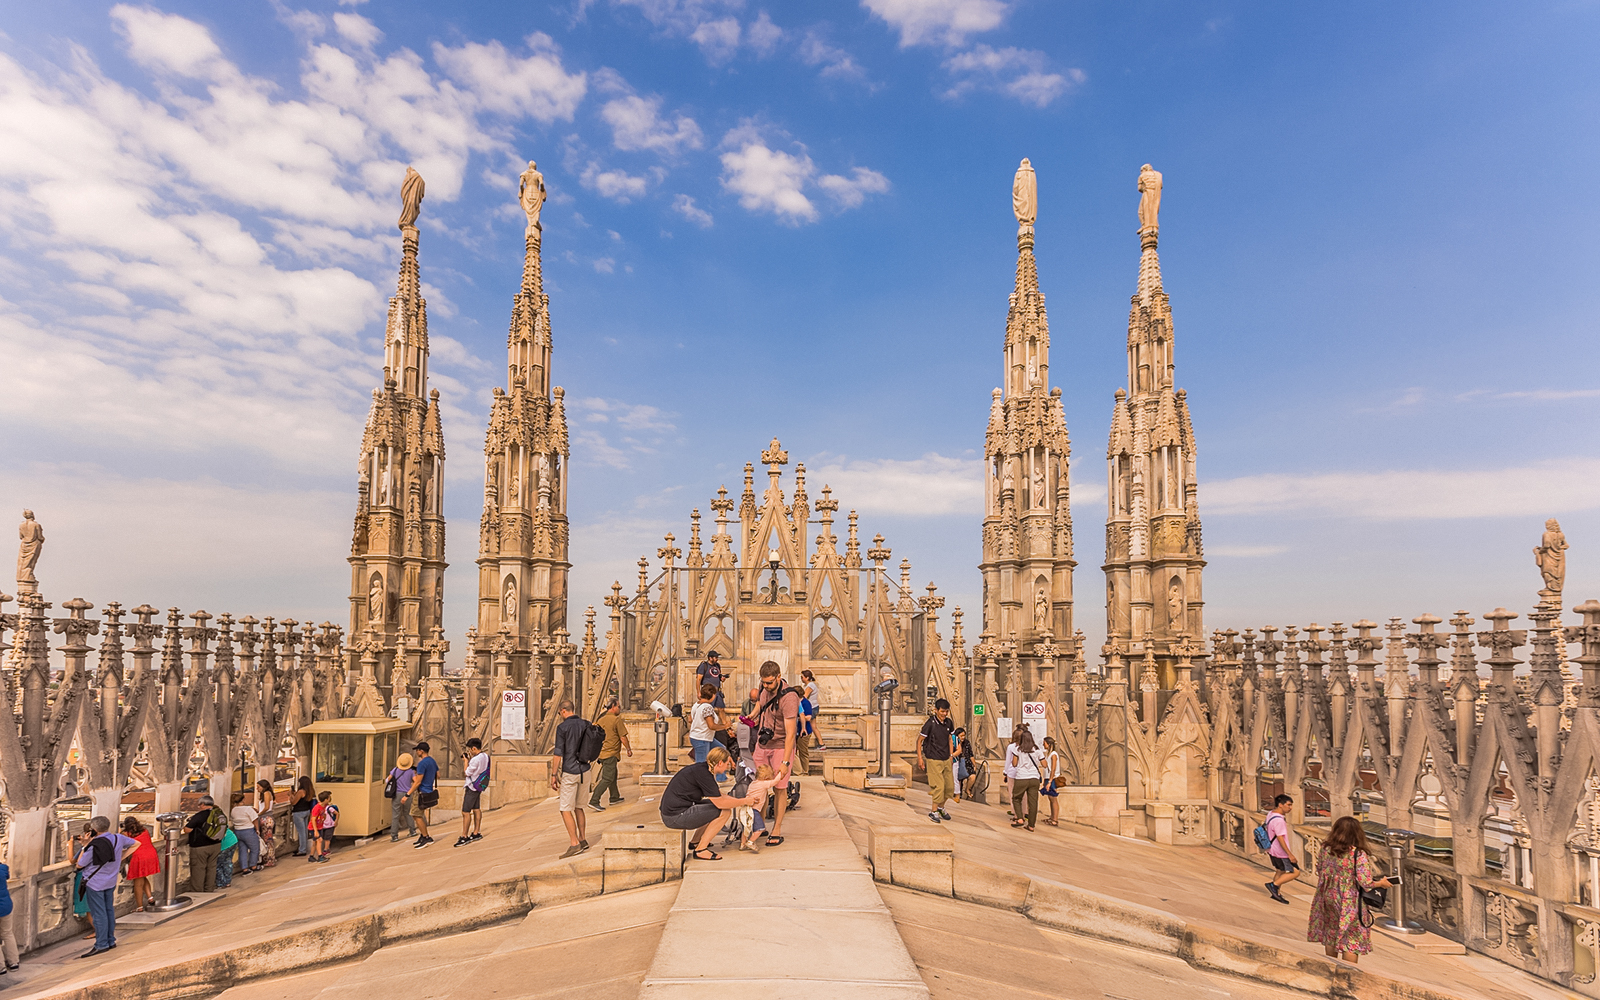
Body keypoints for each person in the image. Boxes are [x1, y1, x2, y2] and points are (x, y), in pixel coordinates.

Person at [1307, 815, 1396, 963]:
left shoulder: (1325, 848)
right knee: (1351, 939)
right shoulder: (1358, 854)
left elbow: (1320, 869)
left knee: (1332, 932)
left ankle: (1329, 965)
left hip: (1328, 896)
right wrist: (1382, 883)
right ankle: (1348, 972)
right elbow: (1365, 883)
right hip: (1350, 901)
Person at [660, 745, 769, 862]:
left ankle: (695, 842)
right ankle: (701, 849)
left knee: (712, 807)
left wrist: (741, 800)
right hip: (675, 816)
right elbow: (721, 803)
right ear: (720, 763)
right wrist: (744, 801)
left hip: (676, 811)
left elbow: (719, 795)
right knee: (724, 812)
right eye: (727, 763)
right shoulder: (704, 774)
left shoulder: (703, 770)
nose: (728, 767)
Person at [750, 662, 800, 847]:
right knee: (760, 785)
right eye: (764, 682)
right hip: (763, 745)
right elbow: (759, 707)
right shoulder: (764, 691)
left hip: (780, 746)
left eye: (770, 683)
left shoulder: (789, 698)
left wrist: (786, 761)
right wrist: (749, 717)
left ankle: (776, 828)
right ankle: (759, 825)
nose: (766, 686)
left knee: (780, 788)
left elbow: (790, 734)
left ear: (779, 677)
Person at [74, 815, 136, 958]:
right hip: (110, 880)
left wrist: (85, 845)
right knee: (108, 911)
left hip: (95, 883)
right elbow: (136, 844)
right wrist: (121, 857)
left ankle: (101, 944)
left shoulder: (94, 846)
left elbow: (79, 864)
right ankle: (110, 940)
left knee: (99, 913)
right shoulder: (117, 838)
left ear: (94, 829)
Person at [551, 700, 592, 859]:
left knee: (565, 809)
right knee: (579, 807)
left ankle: (574, 843)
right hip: (585, 771)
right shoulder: (586, 724)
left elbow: (558, 753)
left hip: (571, 771)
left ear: (562, 711)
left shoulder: (563, 728)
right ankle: (583, 839)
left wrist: (554, 775)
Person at [588, 697, 633, 810]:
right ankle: (594, 800)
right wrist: (628, 749)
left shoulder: (601, 719)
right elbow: (623, 737)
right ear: (613, 707)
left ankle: (614, 797)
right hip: (610, 753)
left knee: (613, 775)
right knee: (607, 778)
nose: (620, 709)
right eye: (618, 706)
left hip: (602, 753)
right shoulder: (616, 719)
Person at [917, 698, 956, 823]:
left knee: (950, 787)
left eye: (946, 711)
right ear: (936, 710)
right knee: (939, 786)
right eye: (942, 711)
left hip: (946, 758)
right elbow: (919, 741)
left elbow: (950, 739)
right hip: (933, 759)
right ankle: (933, 811)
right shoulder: (930, 723)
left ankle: (941, 807)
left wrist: (951, 755)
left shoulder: (949, 723)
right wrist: (920, 758)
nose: (944, 714)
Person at [1263, 794, 1300, 903]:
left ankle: (1276, 893)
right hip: (1280, 852)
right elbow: (1280, 838)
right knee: (1295, 872)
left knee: (1280, 870)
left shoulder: (1271, 814)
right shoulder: (1279, 821)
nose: (1290, 808)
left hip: (1271, 849)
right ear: (1280, 805)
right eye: (1288, 805)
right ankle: (1273, 885)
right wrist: (1290, 854)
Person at [184, 795, 225, 893]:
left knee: (198, 869)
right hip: (216, 844)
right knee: (211, 868)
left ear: (203, 804)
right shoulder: (219, 813)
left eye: (199, 805)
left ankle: (197, 891)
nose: (199, 807)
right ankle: (209, 889)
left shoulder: (200, 815)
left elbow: (187, 830)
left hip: (200, 846)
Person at [120, 817, 160, 911]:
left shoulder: (126, 833)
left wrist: (120, 829)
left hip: (139, 858)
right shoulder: (144, 830)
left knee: (138, 883)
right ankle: (150, 898)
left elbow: (119, 841)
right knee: (143, 876)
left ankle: (139, 907)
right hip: (151, 854)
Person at [1007, 728, 1043, 831]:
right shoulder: (1037, 750)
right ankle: (1031, 825)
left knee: (1016, 798)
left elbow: (1014, 764)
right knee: (1033, 802)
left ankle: (1020, 818)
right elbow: (1044, 764)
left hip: (1021, 777)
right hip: (1034, 778)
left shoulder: (1018, 750)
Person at [456, 738, 490, 847]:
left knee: (465, 812)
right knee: (476, 809)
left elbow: (467, 772)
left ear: (474, 748)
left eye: (470, 749)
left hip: (472, 787)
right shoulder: (485, 756)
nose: (469, 751)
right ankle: (476, 832)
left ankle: (464, 836)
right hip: (479, 785)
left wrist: (466, 761)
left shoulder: (475, 760)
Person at [411, 741, 440, 848]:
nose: (417, 752)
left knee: (416, 815)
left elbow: (418, 781)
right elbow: (438, 775)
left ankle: (426, 837)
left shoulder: (422, 763)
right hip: (429, 791)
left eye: (417, 750)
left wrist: (408, 794)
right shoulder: (432, 761)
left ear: (421, 751)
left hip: (421, 792)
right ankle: (423, 836)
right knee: (419, 814)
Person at [688, 683, 722, 764]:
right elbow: (711, 725)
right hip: (702, 738)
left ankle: (720, 776)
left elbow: (690, 719)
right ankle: (700, 776)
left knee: (721, 750)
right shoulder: (707, 707)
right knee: (701, 764)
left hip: (699, 736)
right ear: (713, 695)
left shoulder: (696, 705)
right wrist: (725, 726)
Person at [389, 752, 418, 842]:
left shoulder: (394, 770)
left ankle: (394, 835)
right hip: (407, 794)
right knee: (408, 813)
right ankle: (412, 830)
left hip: (397, 794)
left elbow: (387, 780)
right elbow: (416, 781)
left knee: (395, 815)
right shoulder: (411, 772)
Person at [231, 791, 262, 872]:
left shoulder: (233, 810)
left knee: (242, 850)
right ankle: (253, 865)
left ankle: (244, 868)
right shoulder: (247, 809)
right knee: (254, 848)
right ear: (243, 800)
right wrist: (257, 829)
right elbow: (255, 819)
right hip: (248, 831)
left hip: (237, 831)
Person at [0, 850, 19, 974]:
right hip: (6, 905)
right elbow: (7, 876)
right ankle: (13, 962)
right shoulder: (3, 868)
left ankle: (1, 967)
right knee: (7, 933)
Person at [255, 779, 279, 867]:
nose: (257, 789)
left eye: (258, 787)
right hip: (265, 817)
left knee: (268, 840)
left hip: (266, 818)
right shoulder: (266, 793)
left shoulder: (266, 793)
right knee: (266, 839)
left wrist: (258, 814)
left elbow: (266, 807)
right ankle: (269, 858)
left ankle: (270, 859)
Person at [290, 776, 315, 856]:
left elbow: (293, 802)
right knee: (304, 831)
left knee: (301, 832)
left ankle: (302, 850)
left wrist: (290, 795)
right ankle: (303, 848)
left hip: (299, 812)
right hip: (306, 811)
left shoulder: (301, 791)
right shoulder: (310, 791)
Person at [1041, 736, 1062, 826]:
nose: (1043, 745)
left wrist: (1049, 781)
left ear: (1048, 744)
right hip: (1048, 777)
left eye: (1044, 743)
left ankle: (1055, 819)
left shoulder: (1053, 754)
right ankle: (1052, 817)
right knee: (1050, 798)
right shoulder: (1048, 754)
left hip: (1052, 778)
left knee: (1053, 798)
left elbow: (1053, 769)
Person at [952, 726, 974, 802]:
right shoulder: (953, 740)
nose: (963, 737)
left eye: (964, 735)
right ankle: (957, 794)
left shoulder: (966, 743)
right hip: (957, 761)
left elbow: (970, 754)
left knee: (970, 776)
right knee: (957, 778)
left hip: (963, 763)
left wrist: (974, 765)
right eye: (961, 736)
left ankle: (964, 791)